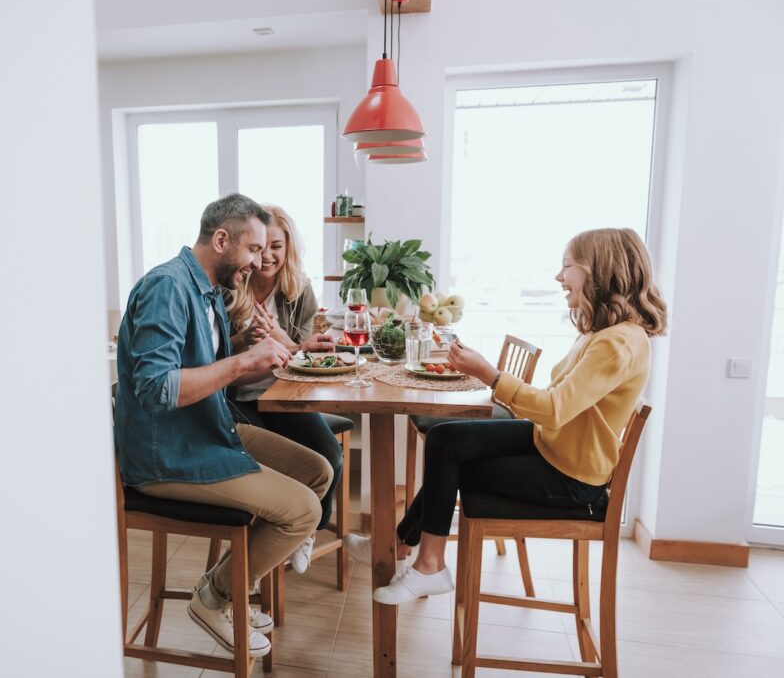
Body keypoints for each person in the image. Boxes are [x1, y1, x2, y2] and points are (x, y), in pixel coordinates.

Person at [346, 228, 667, 605]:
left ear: (599, 270)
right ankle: (400, 544)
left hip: (573, 477)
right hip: (552, 445)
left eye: (567, 267)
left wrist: (490, 374)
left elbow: (554, 408)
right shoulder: (606, 332)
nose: (559, 277)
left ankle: (429, 565)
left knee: (454, 467)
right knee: (446, 440)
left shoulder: (618, 342)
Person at [114, 193, 333, 658]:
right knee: (303, 512)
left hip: (205, 428)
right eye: (254, 249)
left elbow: (202, 363)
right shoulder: (168, 288)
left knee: (318, 471)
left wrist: (248, 349)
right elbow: (156, 388)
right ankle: (215, 596)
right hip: (167, 453)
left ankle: (231, 585)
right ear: (221, 240)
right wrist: (242, 363)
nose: (260, 262)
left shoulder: (206, 289)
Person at [224, 204, 342, 574]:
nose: (268, 256)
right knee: (280, 472)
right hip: (239, 400)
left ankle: (307, 530)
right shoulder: (230, 287)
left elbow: (299, 356)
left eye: (277, 246)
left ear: (288, 247)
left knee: (329, 457)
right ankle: (261, 549)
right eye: (260, 248)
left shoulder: (298, 290)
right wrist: (245, 339)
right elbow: (212, 357)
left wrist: (279, 338)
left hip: (283, 396)